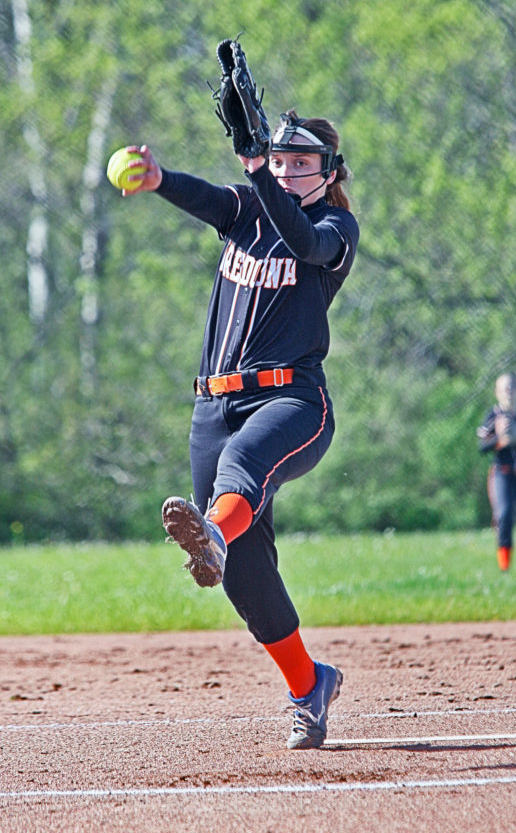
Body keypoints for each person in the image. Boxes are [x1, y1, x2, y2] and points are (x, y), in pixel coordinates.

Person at [122, 108, 359, 748]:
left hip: (293, 402)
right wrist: (160, 179)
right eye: (278, 160)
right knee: (247, 575)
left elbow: (304, 243)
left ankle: (213, 534)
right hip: (212, 407)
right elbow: (207, 199)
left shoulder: (335, 227)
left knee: (243, 467)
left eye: (300, 163)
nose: (286, 171)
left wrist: (257, 169)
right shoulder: (247, 210)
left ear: (329, 172)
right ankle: (310, 684)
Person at [477, 372, 516, 570]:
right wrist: (500, 438)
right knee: (504, 514)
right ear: (497, 392)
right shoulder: (493, 415)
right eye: (504, 388)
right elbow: (482, 446)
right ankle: (504, 566)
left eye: (512, 387)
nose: (508, 391)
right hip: (503, 472)